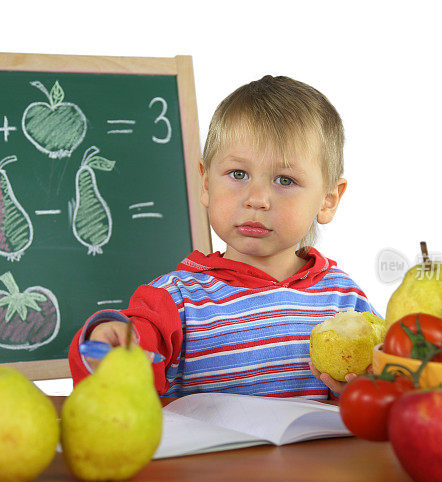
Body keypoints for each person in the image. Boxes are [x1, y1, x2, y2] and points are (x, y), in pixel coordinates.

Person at [67, 75, 378, 399]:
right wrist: (107, 343)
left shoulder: (347, 303)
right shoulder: (174, 301)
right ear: (206, 183)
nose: (257, 198)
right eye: (238, 174)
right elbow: (109, 378)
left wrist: (365, 389)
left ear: (328, 199)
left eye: (285, 180)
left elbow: (394, 385)